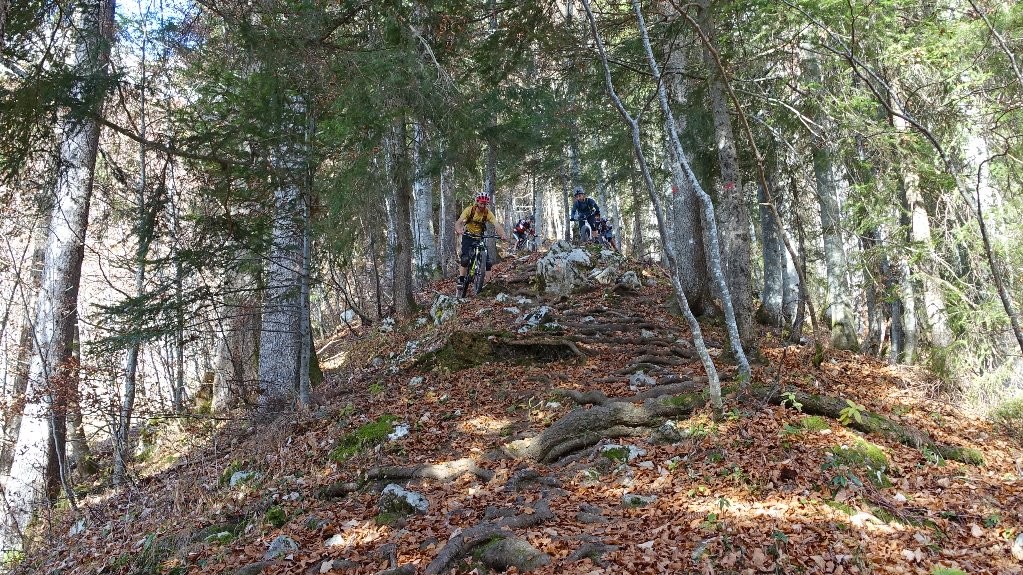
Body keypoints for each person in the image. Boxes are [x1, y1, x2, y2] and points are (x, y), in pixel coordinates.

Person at [454, 192, 508, 290]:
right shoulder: (469, 210)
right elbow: (459, 222)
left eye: (485, 204)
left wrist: (502, 234)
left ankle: (488, 284)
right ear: (477, 202)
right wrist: (458, 229)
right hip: (468, 235)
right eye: (481, 203)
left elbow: (497, 225)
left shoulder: (488, 213)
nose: (483, 205)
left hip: (479, 237)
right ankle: (461, 279)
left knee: (488, 262)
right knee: (465, 258)